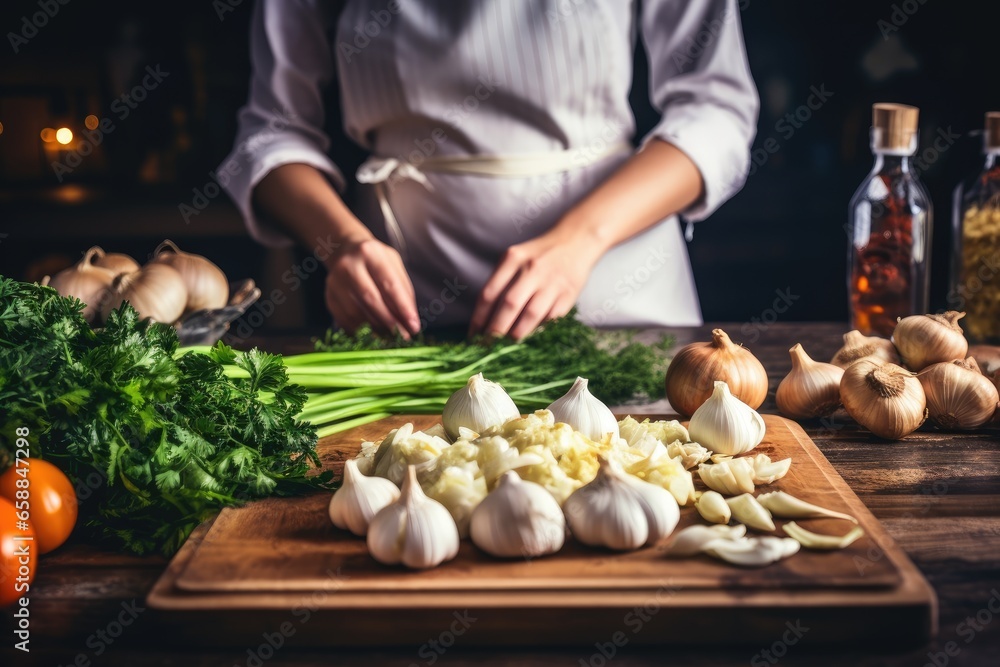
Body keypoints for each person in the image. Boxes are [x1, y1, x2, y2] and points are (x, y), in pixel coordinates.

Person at [222, 0, 758, 340]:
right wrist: (339, 244)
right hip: (409, 310)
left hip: (616, 293)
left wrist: (579, 240)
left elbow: (716, 110)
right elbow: (270, 135)